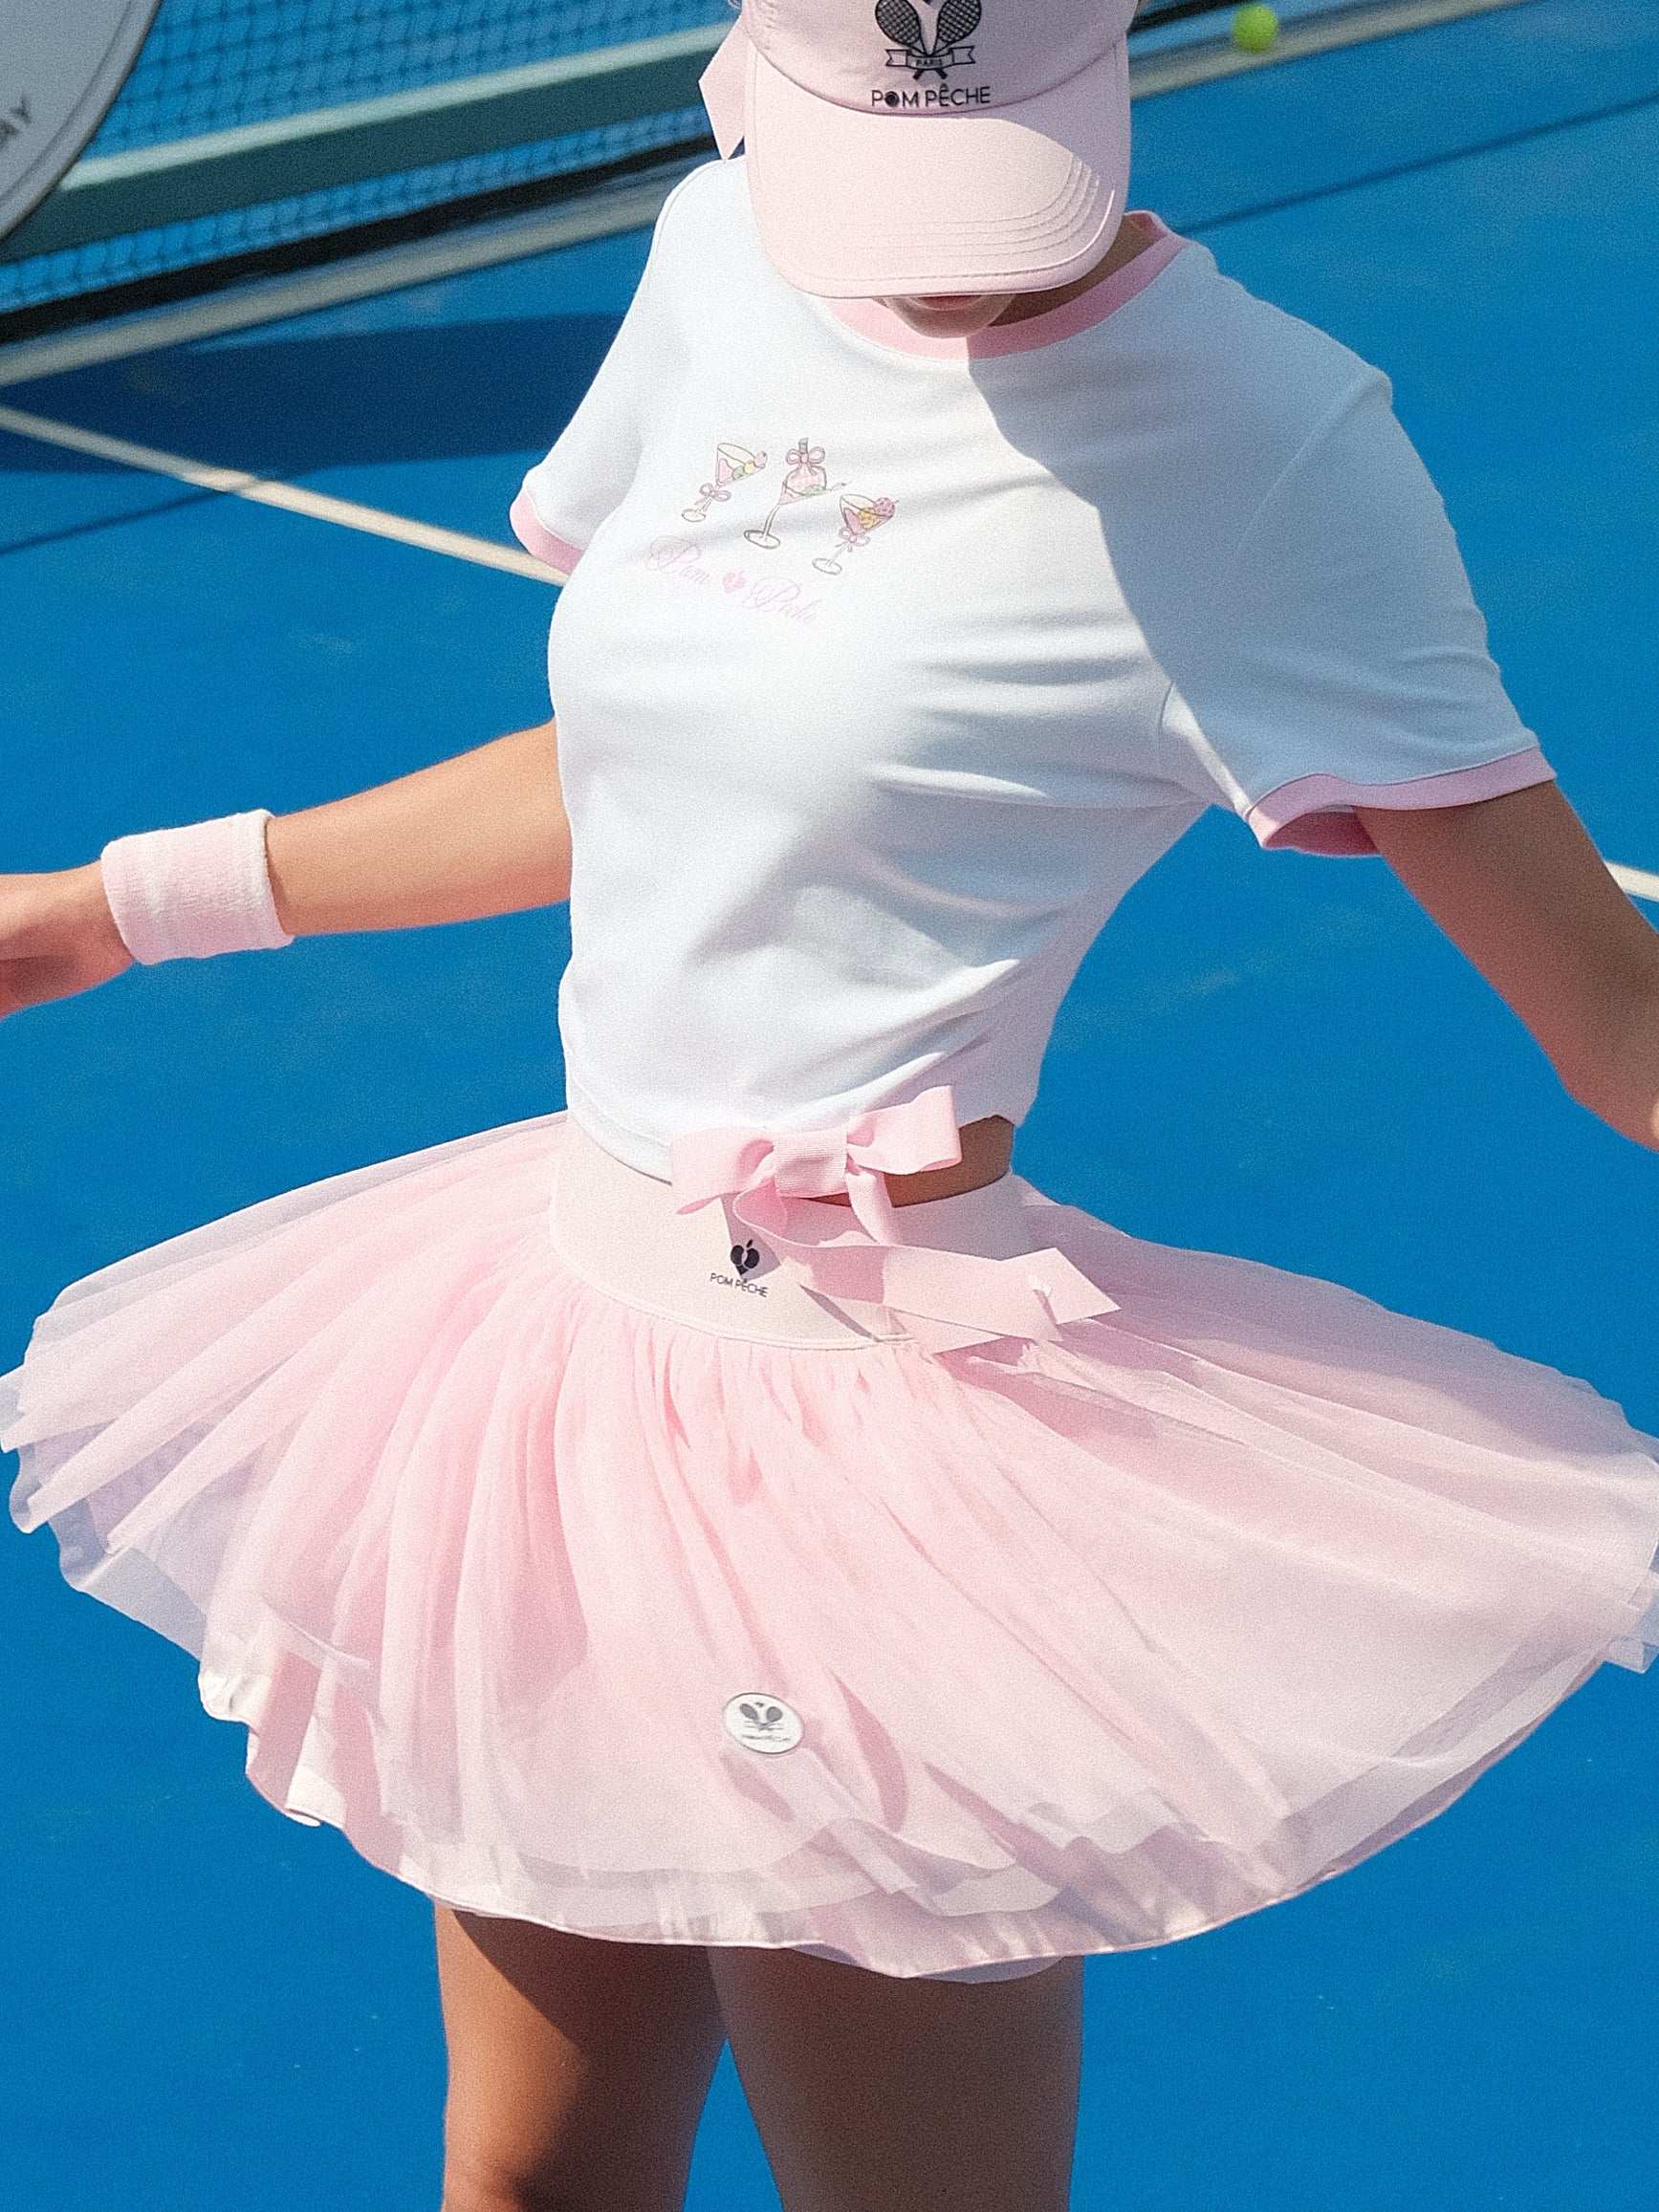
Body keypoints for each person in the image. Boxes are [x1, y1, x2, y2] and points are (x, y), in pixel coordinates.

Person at [4, 0, 1658, 2204]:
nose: (959, 262)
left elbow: (1619, 1032)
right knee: (526, 2176)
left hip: (878, 1481)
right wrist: (120, 907)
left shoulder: (1268, 444)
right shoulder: (718, 253)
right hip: (559, 1379)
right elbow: (657, 764)